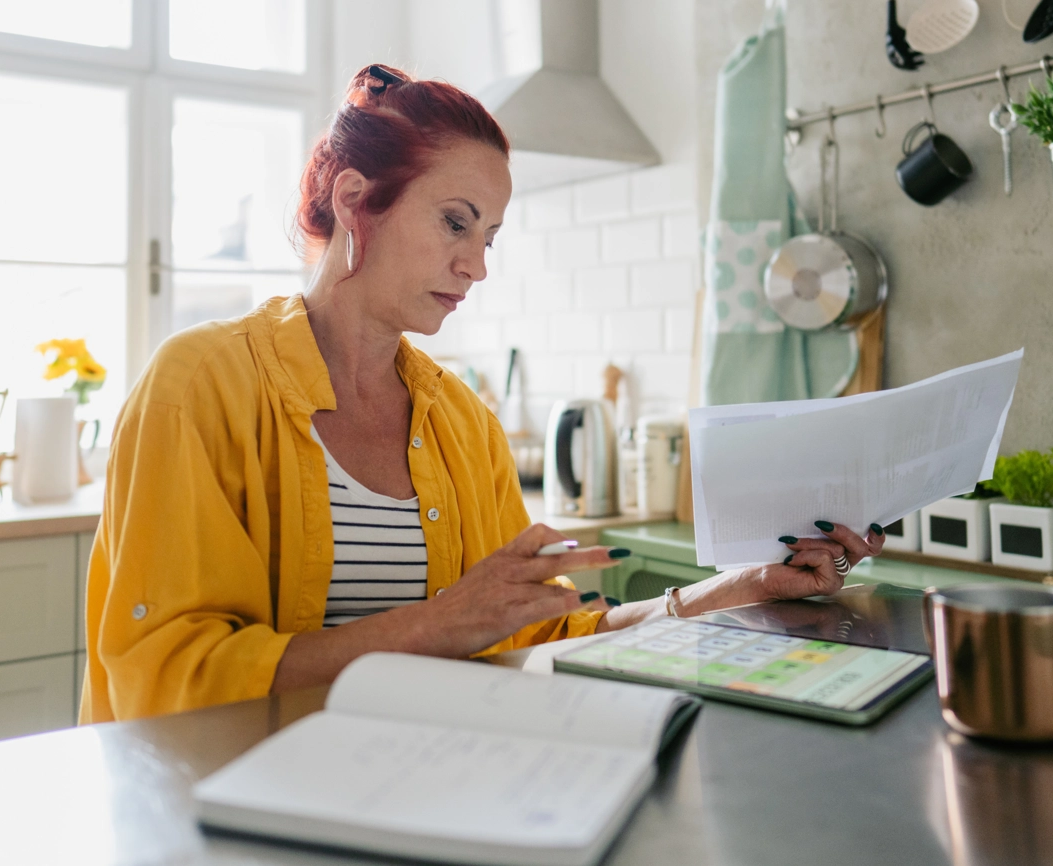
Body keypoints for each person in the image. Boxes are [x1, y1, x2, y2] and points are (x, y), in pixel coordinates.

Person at [79, 64, 884, 723]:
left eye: (489, 237)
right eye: (455, 223)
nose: (477, 266)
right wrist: (432, 626)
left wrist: (734, 589)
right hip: (224, 805)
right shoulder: (200, 383)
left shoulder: (458, 417)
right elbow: (166, 674)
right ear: (356, 201)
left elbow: (548, 631)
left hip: (417, 782)